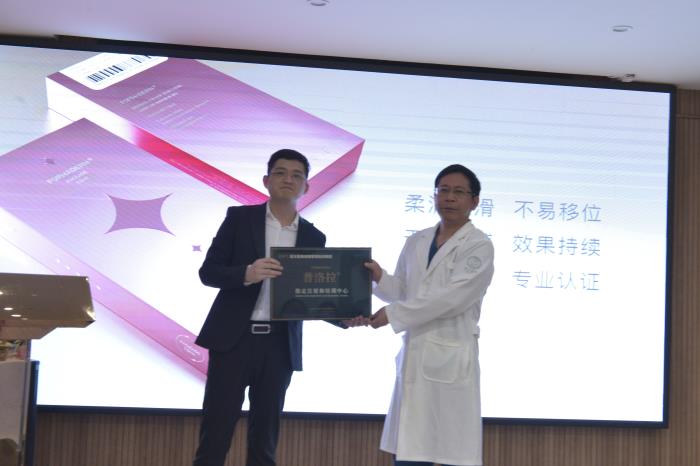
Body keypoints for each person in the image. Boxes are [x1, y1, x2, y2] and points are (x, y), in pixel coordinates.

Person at [192, 149, 326, 466]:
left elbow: (312, 295)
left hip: (279, 345)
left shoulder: (314, 236)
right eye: (280, 172)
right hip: (233, 341)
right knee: (215, 435)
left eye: (296, 175)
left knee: (265, 440)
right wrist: (246, 273)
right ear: (266, 181)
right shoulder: (239, 219)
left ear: (306, 186)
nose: (288, 179)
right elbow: (208, 273)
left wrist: (348, 315)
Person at [364, 164, 495, 466]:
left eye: (458, 192)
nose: (449, 198)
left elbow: (451, 299)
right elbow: (404, 290)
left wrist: (393, 314)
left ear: (474, 201)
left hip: (450, 358)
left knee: (448, 449)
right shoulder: (417, 240)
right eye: (443, 190)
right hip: (415, 355)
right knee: (410, 450)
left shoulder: (479, 245)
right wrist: (378, 277)